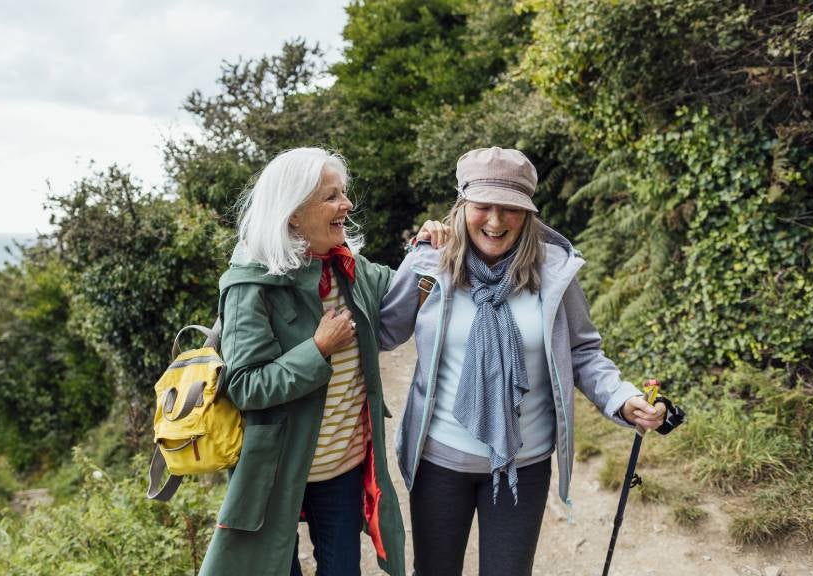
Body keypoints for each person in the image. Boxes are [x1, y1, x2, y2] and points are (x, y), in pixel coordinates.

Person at [378, 147, 667, 575]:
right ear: (461, 207)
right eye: (483, 207)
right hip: (440, 462)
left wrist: (622, 399)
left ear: (528, 213)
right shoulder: (429, 264)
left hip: (524, 463)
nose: (495, 222)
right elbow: (382, 332)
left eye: (510, 208)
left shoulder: (554, 273)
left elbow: (583, 352)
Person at [200, 147, 419, 576]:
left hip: (342, 466)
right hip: (277, 472)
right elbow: (245, 385)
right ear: (293, 214)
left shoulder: (346, 268)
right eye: (331, 196)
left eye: (343, 193)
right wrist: (317, 349)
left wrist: (431, 247)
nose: (347, 205)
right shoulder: (252, 285)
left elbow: (408, 290)